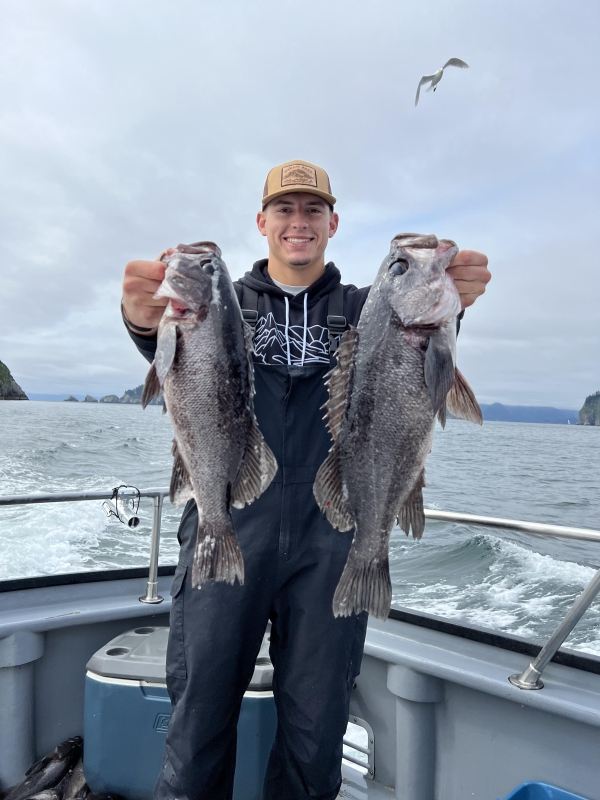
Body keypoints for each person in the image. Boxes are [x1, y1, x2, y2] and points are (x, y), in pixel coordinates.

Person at [121, 159, 491, 800]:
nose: (299, 221)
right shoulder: (223, 305)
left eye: (313, 209)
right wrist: (140, 318)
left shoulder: (368, 308)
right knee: (198, 719)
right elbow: (176, 356)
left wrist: (457, 293)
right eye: (284, 209)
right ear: (262, 221)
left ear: (333, 223)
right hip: (228, 520)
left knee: (316, 735)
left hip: (333, 540)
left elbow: (416, 361)